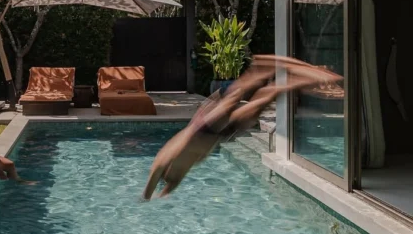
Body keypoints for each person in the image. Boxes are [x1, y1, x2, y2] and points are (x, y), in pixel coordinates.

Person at [143, 55, 343, 199]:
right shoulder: (174, 175)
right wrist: (160, 194)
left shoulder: (162, 162)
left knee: (239, 95)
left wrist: (146, 196)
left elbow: (154, 177)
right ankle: (290, 74)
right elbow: (169, 186)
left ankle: (268, 66)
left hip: (204, 129)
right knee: (258, 101)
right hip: (215, 134)